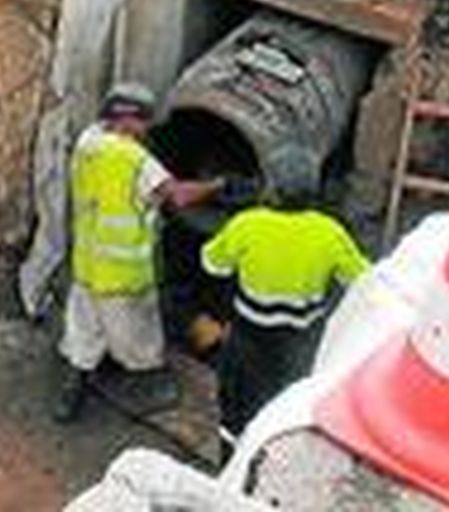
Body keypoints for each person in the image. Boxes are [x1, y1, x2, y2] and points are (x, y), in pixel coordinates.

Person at [53, 82, 222, 423]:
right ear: (126, 118)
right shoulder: (135, 160)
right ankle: (147, 386)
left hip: (88, 262)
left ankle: (71, 392)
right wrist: (220, 184)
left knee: (84, 328)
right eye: (142, 120)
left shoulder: (88, 142)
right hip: (124, 271)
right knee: (139, 335)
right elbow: (178, 196)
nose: (146, 128)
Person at [201, 146, 369, 462]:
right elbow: (362, 280)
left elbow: (212, 264)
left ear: (271, 187)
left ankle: (231, 463)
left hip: (249, 336)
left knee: (237, 407)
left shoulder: (247, 224)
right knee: (289, 406)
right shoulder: (329, 233)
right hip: (300, 342)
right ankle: (279, 465)